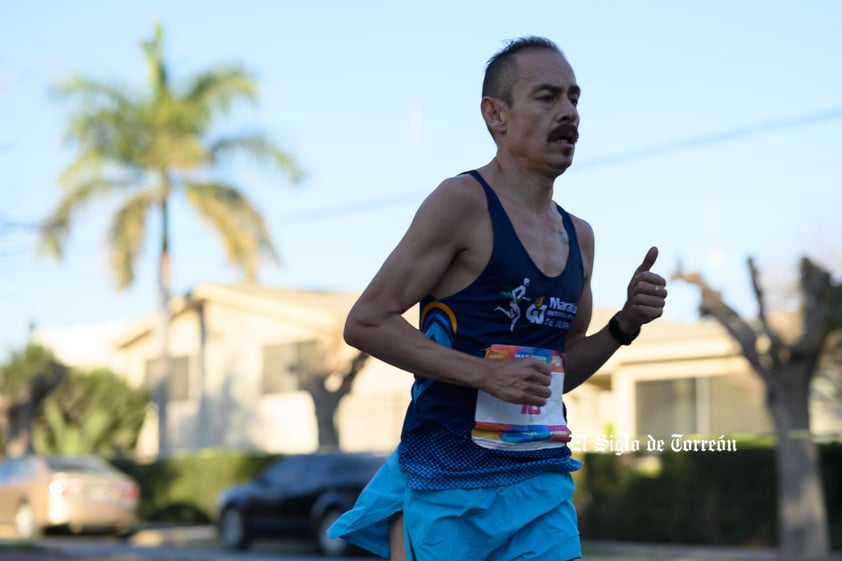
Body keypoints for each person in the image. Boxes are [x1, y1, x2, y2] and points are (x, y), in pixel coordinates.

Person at [330, 36, 667, 561]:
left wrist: (622, 326)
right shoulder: (461, 202)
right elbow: (367, 322)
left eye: (575, 99)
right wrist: (485, 374)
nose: (569, 113)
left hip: (540, 485)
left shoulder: (580, 236)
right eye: (547, 97)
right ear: (496, 115)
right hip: (446, 483)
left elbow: (555, 375)